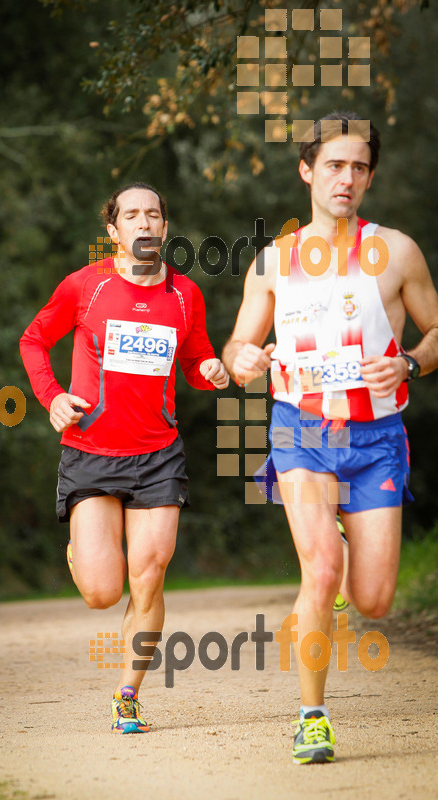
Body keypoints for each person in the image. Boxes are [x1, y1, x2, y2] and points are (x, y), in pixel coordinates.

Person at [222, 112, 438, 764]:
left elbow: (435, 334)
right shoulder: (272, 262)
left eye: (358, 168)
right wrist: (243, 360)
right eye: (334, 165)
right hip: (302, 432)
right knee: (320, 571)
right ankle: (311, 716)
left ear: (369, 177)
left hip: (374, 438)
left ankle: (346, 545)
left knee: (370, 599)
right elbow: (237, 344)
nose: (346, 178)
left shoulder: (395, 252)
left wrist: (407, 362)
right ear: (306, 169)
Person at [20, 183, 228, 733]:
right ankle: (84, 557)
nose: (143, 223)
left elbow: (195, 357)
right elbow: (33, 340)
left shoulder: (185, 295)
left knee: (151, 575)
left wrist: (210, 371)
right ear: (113, 230)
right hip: (90, 452)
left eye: (152, 214)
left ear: (164, 227)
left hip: (158, 454)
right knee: (101, 593)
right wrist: (52, 397)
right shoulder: (84, 287)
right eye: (131, 215)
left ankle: (128, 694)